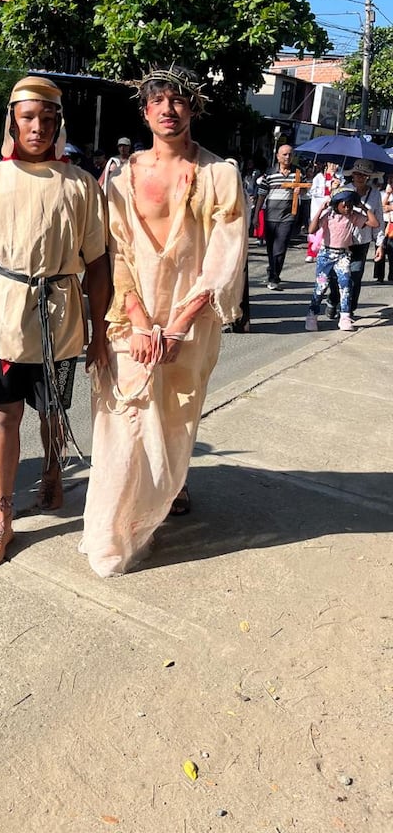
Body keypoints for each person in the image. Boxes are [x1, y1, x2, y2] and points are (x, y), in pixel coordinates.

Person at [80, 66, 247, 578]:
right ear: (145, 111)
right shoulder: (121, 175)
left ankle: (152, 510)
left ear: (192, 109)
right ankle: (112, 534)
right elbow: (118, 251)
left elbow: (224, 258)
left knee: (173, 426)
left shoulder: (220, 175)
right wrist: (137, 318)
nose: (169, 109)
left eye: (179, 100)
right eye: (159, 101)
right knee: (121, 426)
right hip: (130, 321)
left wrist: (177, 325)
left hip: (190, 325)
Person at [0, 75, 110, 567]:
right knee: (5, 415)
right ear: (12, 122)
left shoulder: (80, 185)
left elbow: (99, 263)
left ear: (59, 123)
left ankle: (53, 473)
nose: (37, 127)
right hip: (3, 321)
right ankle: (3, 517)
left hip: (59, 318)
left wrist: (98, 332)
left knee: (53, 412)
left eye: (47, 118)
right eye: (27, 117)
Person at [304, 188, 375, 333]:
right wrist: (320, 210)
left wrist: (362, 207)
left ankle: (344, 317)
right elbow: (311, 230)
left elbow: (374, 223)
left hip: (343, 255)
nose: (347, 207)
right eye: (344, 205)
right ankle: (312, 315)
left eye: (350, 204)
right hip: (326, 254)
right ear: (336, 204)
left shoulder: (354, 216)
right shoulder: (328, 216)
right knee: (321, 287)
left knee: (346, 285)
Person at [326, 159, 383, 320]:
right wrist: (333, 192)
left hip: (361, 241)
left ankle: (348, 310)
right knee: (335, 276)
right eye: (357, 173)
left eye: (364, 175)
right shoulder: (344, 189)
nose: (360, 177)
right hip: (341, 240)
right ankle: (334, 299)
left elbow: (378, 218)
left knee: (355, 276)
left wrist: (380, 244)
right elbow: (331, 212)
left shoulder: (375, 194)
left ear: (369, 177)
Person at [254, 144, 301, 290]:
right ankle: (272, 271)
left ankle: (274, 278)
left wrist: (300, 192)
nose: (287, 157)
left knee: (280, 249)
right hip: (270, 217)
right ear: (278, 156)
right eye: (285, 154)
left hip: (287, 217)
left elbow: (305, 191)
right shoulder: (269, 174)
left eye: (290, 154)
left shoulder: (298, 173)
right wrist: (256, 216)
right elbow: (261, 196)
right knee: (271, 249)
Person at [306, 161, 340, 262]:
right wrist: (327, 189)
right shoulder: (319, 177)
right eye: (331, 164)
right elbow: (312, 191)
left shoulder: (340, 177)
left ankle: (326, 252)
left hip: (332, 208)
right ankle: (311, 253)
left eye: (336, 164)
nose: (334, 166)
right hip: (318, 206)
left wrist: (336, 187)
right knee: (315, 229)